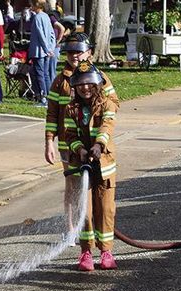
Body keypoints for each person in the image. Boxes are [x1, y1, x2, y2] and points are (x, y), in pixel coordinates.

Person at [44, 33, 118, 244]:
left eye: (79, 52)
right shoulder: (61, 80)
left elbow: (113, 102)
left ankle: (98, 232)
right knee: (73, 186)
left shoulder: (99, 76)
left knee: (98, 190)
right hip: (70, 143)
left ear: (89, 53)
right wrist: (49, 140)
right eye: (70, 52)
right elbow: (51, 113)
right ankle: (72, 229)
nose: (74, 56)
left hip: (96, 145)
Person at [64, 60, 119, 271]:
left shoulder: (107, 104)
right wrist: (81, 150)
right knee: (84, 212)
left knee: (105, 210)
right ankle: (86, 252)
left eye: (89, 84)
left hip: (104, 166)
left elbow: (108, 125)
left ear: (96, 85)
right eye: (80, 85)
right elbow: (69, 134)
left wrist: (99, 145)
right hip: (82, 166)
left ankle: (106, 252)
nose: (85, 88)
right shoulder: (71, 109)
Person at [28, 0, 56, 107]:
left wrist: (46, 49)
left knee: (39, 74)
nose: (30, 6)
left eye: (32, 4)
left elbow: (41, 35)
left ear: (37, 6)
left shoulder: (38, 17)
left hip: (39, 51)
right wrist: (51, 48)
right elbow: (52, 34)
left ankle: (43, 99)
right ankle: (49, 98)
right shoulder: (46, 16)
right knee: (46, 74)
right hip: (47, 51)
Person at [46, 4, 66, 84]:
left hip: (54, 47)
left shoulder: (50, 17)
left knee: (51, 70)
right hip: (51, 47)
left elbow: (61, 28)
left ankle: (52, 89)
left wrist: (57, 41)